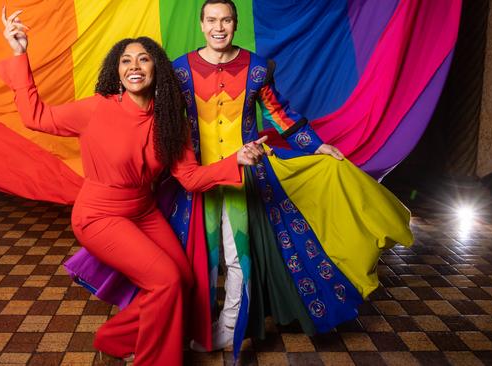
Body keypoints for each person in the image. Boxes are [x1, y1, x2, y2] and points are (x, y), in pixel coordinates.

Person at [0, 8, 269, 366]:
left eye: (143, 59)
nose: (134, 66)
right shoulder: (96, 109)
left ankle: (115, 337)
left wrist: (234, 160)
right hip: (98, 216)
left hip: (142, 211)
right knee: (167, 280)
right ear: (118, 71)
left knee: (184, 279)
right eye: (126, 60)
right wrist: (20, 55)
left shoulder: (171, 121)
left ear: (157, 69)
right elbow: (36, 117)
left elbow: (189, 177)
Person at [169, 0, 413, 355]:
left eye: (225, 20)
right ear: (201, 24)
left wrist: (317, 147)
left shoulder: (256, 67)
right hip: (199, 176)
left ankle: (230, 325)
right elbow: (164, 119)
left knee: (238, 257)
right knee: (202, 257)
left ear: (235, 24)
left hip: (247, 176)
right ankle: (196, 322)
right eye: (211, 20)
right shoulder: (179, 71)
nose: (218, 27)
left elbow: (278, 112)